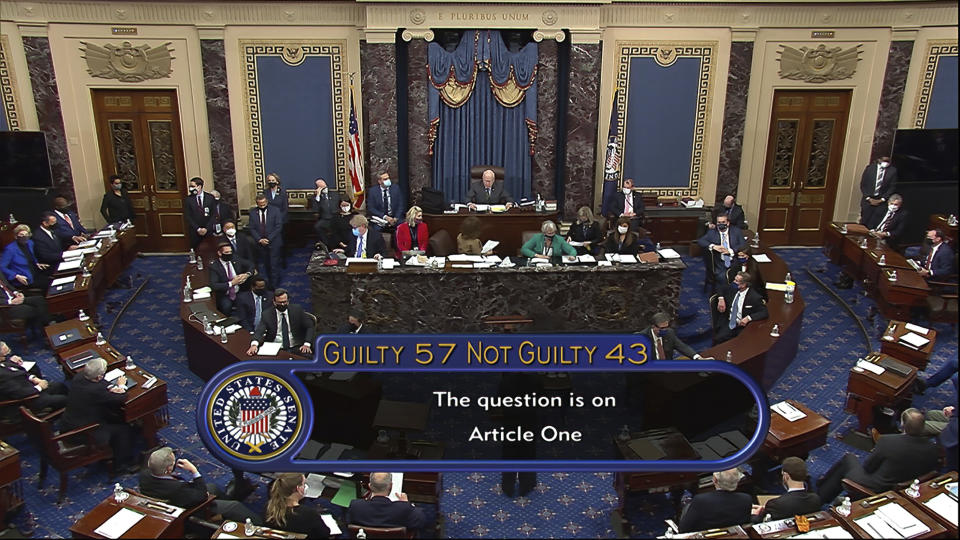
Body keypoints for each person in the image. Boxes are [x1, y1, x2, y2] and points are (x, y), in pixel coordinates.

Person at [817, 408, 940, 503]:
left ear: (903, 425)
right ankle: (823, 488)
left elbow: (868, 467)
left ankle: (821, 497)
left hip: (878, 486)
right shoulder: (934, 449)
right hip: (902, 488)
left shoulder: (888, 441)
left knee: (848, 459)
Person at [140, 447, 260, 523]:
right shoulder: (177, 488)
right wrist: (194, 471)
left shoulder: (144, 475)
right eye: (173, 462)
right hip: (191, 509)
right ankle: (261, 524)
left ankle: (230, 498)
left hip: (174, 499)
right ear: (168, 469)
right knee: (234, 506)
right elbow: (201, 496)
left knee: (213, 487)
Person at [61, 358, 139, 472]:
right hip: (82, 432)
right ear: (98, 377)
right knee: (124, 429)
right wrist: (121, 386)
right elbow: (121, 398)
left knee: (113, 416)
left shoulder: (80, 377)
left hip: (68, 424)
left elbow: (100, 384)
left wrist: (111, 387)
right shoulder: (95, 391)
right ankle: (123, 464)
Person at [499, 372, 541, 497]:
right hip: (528, 422)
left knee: (509, 453)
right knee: (528, 453)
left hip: (511, 422)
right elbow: (543, 398)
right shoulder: (535, 379)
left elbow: (499, 398)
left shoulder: (506, 380)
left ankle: (508, 486)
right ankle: (527, 485)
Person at [677, 468, 751, 533]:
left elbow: (683, 529)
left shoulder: (701, 500)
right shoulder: (747, 499)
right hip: (733, 535)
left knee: (687, 505)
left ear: (715, 479)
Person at [0, 341, 67, 412]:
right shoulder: (1, 376)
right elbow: (18, 393)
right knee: (63, 399)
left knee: (59, 386)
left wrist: (34, 378)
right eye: (5, 354)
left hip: (29, 385)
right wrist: (39, 387)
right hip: (28, 399)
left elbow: (20, 372)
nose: (8, 356)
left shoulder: (4, 361)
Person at [346, 472, 426, 531]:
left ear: (369, 486)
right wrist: (407, 503)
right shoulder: (403, 508)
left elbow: (349, 521)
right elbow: (421, 521)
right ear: (391, 486)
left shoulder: (356, 505)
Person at [246, 288, 316, 355]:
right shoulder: (267, 314)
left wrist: (307, 344)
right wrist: (254, 345)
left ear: (288, 301)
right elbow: (260, 331)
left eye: (284, 302)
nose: (282, 304)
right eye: (280, 302)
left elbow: (310, 326)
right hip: (275, 347)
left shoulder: (297, 310)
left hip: (297, 346)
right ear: (274, 302)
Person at [751, 457, 820, 522]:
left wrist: (754, 514)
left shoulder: (776, 504)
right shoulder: (815, 499)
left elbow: (758, 520)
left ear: (786, 476)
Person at [264, 473, 331, 538]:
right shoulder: (309, 514)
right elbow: (325, 533)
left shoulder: (269, 508)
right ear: (298, 488)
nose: (305, 486)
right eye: (304, 484)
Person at [715, 271, 768, 343]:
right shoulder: (732, 288)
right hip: (729, 321)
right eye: (735, 279)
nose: (733, 282)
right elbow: (720, 288)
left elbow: (764, 312)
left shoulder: (754, 297)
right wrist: (721, 299)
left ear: (743, 285)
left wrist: (748, 318)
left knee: (741, 344)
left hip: (742, 326)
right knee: (718, 340)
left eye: (736, 281)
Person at [698, 213, 745, 292]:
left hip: (734, 260)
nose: (721, 224)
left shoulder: (736, 231)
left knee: (745, 275)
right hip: (719, 262)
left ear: (728, 223)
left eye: (723, 222)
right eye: (719, 222)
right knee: (723, 277)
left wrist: (730, 251)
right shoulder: (712, 232)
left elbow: (743, 244)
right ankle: (723, 296)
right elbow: (701, 241)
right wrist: (714, 246)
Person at [209, 242, 254, 316]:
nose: (229, 254)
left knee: (249, 305)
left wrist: (247, 274)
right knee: (226, 307)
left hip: (239, 291)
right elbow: (214, 285)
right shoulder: (214, 267)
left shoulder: (235, 258)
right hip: (225, 294)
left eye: (230, 252)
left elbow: (250, 264)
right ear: (219, 253)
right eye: (226, 252)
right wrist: (232, 283)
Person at [1, 224, 51, 291]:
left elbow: (30, 257)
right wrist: (16, 276)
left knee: (52, 279)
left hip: (35, 273)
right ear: (16, 236)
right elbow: (2, 267)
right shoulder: (10, 249)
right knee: (48, 285)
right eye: (21, 235)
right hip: (24, 278)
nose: (25, 237)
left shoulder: (30, 243)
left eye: (26, 234)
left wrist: (37, 263)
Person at [249, 194, 284, 287]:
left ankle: (274, 285)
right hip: (260, 243)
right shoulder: (253, 212)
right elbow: (252, 228)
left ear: (267, 202)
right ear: (257, 204)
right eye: (260, 205)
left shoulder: (275, 211)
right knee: (266, 264)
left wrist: (268, 239)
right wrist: (260, 239)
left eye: (264, 204)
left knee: (274, 264)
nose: (262, 206)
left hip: (274, 242)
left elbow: (278, 226)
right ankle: (269, 281)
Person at [859, 156, 897, 226]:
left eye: (888, 161)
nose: (886, 163)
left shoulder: (892, 171)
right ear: (879, 160)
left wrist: (881, 200)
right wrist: (869, 198)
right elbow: (863, 185)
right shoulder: (870, 168)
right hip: (868, 200)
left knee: (874, 224)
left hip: (881, 202)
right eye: (884, 160)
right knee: (863, 223)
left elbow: (892, 187)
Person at [312, 178, 345, 248]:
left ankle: (340, 243)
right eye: (319, 185)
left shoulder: (335, 194)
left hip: (336, 217)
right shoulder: (316, 197)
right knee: (317, 226)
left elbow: (342, 204)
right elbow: (315, 209)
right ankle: (326, 244)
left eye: (322, 184)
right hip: (325, 218)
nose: (321, 186)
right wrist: (318, 196)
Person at [184, 177, 215, 249]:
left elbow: (213, 214)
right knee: (196, 249)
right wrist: (198, 229)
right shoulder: (188, 199)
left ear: (199, 187)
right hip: (195, 230)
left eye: (192, 186)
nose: (190, 188)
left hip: (208, 229)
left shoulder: (210, 198)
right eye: (190, 186)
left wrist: (206, 228)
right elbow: (188, 216)